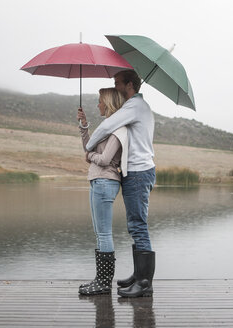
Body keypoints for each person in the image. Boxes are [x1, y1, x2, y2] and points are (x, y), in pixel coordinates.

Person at [86, 70, 156, 298]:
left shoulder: (133, 107)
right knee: (135, 224)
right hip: (136, 172)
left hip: (137, 172)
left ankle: (144, 283)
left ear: (129, 84)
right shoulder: (138, 106)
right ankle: (138, 276)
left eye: (117, 83)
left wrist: (89, 148)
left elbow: (107, 127)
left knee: (138, 225)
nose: (115, 87)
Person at [77, 87, 128, 296]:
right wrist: (83, 126)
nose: (98, 104)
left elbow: (105, 159)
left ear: (107, 103)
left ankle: (104, 283)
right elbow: (88, 147)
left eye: (100, 101)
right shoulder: (107, 127)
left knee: (104, 233)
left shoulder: (117, 129)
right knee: (100, 233)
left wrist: (90, 158)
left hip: (105, 181)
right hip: (98, 181)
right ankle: (101, 280)